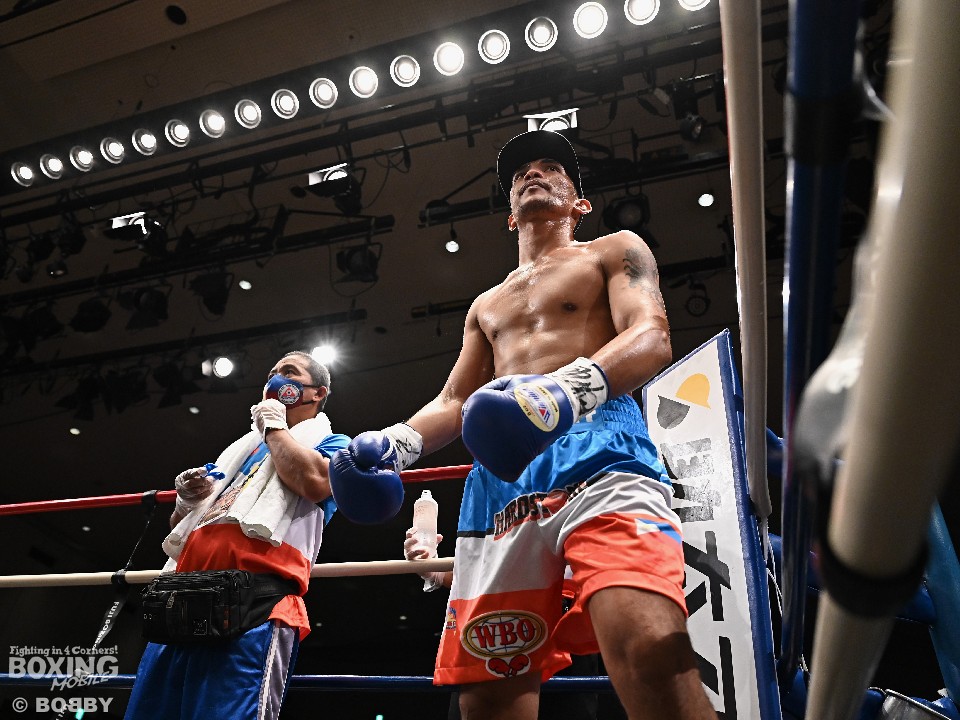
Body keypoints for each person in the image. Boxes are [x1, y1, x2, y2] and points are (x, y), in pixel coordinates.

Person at [333, 129, 715, 719]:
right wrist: (395, 445)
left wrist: (560, 394)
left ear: (579, 203)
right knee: (490, 695)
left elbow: (651, 336)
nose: (532, 174)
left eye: (549, 167)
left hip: (599, 446)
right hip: (503, 473)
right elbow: (456, 399)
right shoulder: (485, 304)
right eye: (519, 174)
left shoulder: (613, 250)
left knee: (646, 646)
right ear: (510, 215)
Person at [125, 350, 350, 720]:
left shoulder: (334, 444)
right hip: (183, 598)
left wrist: (275, 426)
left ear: (317, 393)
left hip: (256, 605)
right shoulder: (240, 450)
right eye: (272, 371)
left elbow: (313, 483)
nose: (276, 379)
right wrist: (186, 501)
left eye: (289, 372)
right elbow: (183, 530)